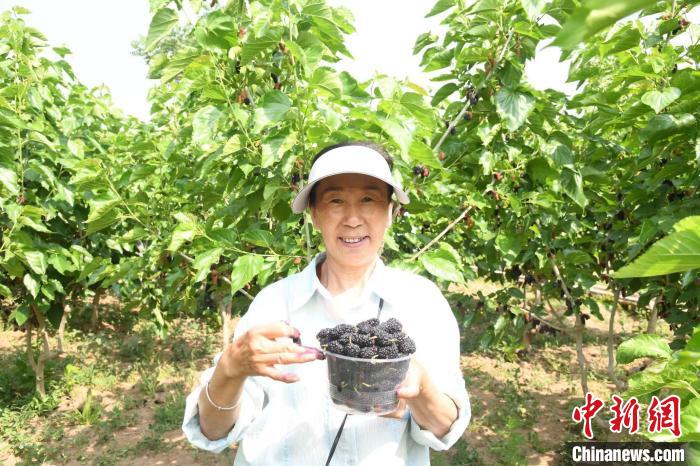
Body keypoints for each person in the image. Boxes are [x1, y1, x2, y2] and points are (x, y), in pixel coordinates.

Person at [182, 141, 471, 465]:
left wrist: (421, 390)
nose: (352, 219)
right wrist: (229, 370)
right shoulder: (274, 305)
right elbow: (213, 431)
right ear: (314, 214)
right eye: (336, 201)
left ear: (390, 213)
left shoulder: (421, 302)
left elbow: (446, 427)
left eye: (368, 200)